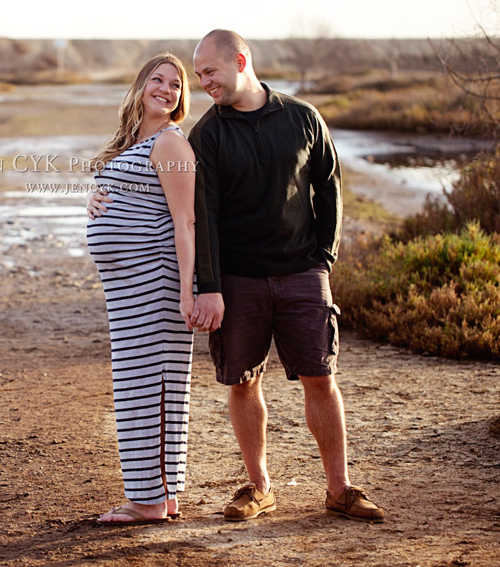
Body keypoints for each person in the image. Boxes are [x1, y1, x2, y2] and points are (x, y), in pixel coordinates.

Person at [87, 30, 385, 524]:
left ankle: (340, 488)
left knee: (321, 377)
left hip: (300, 272)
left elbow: (329, 190)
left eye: (207, 73)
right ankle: (260, 487)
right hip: (239, 278)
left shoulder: (303, 118)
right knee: (243, 382)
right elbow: (199, 212)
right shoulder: (207, 133)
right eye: (197, 76)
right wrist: (211, 286)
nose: (202, 83)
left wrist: (323, 260)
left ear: (240, 61)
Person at [86, 52, 197, 525]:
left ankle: (148, 501)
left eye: (176, 84)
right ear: (141, 85)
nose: (167, 89)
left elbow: (185, 220)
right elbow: (129, 197)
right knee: (145, 385)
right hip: (128, 289)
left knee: (150, 386)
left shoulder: (171, 144)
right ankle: (162, 495)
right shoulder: (136, 141)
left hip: (155, 282)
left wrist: (188, 292)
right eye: (158, 79)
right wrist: (95, 197)